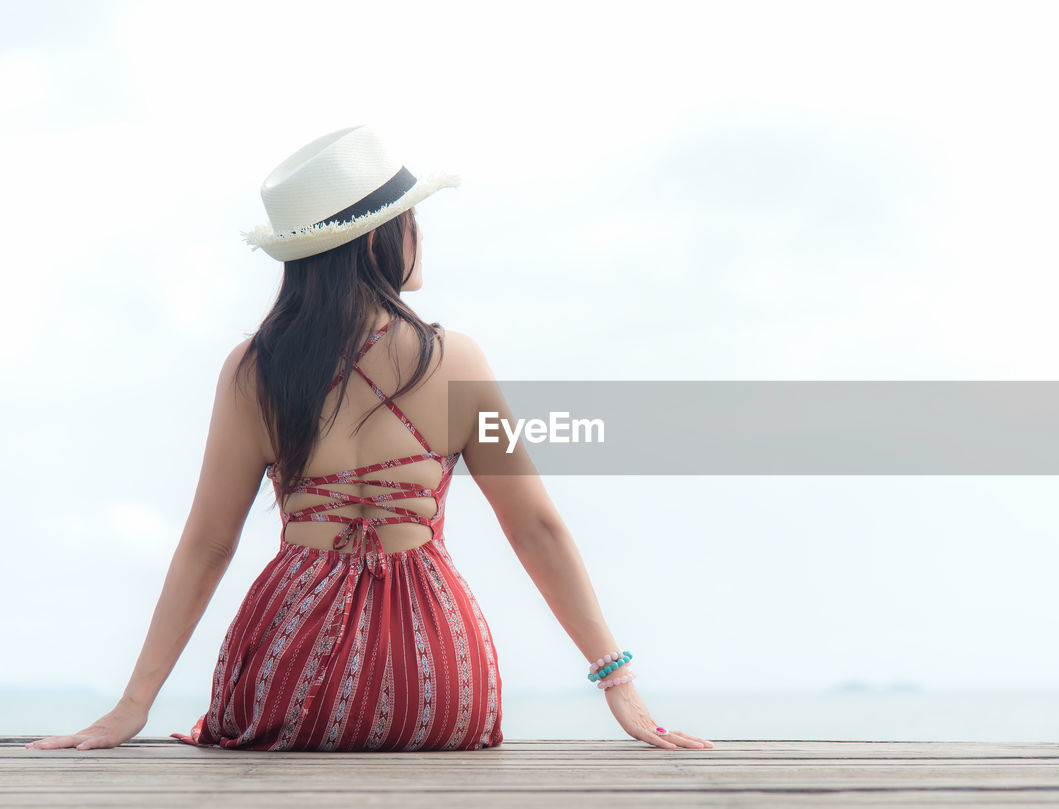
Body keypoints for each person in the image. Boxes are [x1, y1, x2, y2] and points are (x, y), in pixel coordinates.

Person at [25, 125, 713, 752]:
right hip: (438, 684)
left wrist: (132, 704)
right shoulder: (458, 360)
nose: (419, 235)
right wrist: (618, 682)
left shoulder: (254, 371)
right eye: (408, 220)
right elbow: (536, 526)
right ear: (377, 238)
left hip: (291, 683)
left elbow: (208, 544)